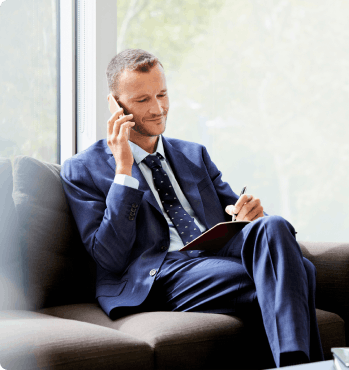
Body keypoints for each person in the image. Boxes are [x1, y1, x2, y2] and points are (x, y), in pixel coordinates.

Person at [60, 48, 323, 368]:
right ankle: (304, 366)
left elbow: (235, 219)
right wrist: (124, 171)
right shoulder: (82, 169)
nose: (158, 109)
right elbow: (110, 257)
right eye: (142, 100)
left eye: (162, 94)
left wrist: (249, 215)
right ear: (116, 105)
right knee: (300, 273)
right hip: (158, 274)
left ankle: (297, 365)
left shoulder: (194, 155)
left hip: (211, 260)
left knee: (273, 224)